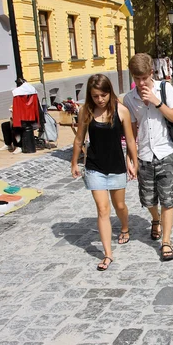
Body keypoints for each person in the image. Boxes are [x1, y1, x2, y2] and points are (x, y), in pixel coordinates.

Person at [71, 74, 138, 271]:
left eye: (103, 95)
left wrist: (134, 162)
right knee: (103, 209)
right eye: (95, 96)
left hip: (116, 165)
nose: (100, 99)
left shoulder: (122, 111)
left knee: (119, 205)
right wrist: (74, 163)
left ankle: (125, 227)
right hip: (94, 167)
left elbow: (131, 140)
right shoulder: (86, 111)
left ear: (110, 92)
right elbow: (79, 140)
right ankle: (108, 254)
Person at [123, 53, 173, 261]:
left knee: (167, 199)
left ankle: (166, 241)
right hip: (144, 155)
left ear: (151, 73)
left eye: (144, 78)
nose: (140, 83)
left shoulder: (165, 89)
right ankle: (155, 219)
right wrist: (130, 159)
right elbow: (130, 134)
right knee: (148, 199)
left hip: (166, 152)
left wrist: (157, 102)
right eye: (136, 78)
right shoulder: (129, 99)